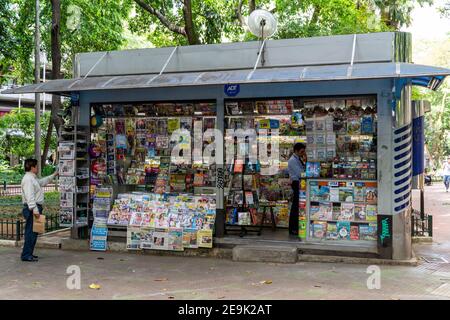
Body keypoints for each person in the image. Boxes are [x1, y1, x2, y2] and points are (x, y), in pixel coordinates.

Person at [20, 159, 58, 262]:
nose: (37, 168)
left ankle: (29, 253)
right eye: (36, 166)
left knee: (34, 232)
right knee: (30, 233)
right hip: (32, 208)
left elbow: (42, 182)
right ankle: (26, 254)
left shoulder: (33, 178)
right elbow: (30, 197)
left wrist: (54, 175)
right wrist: (35, 210)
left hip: (34, 208)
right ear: (32, 167)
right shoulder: (28, 179)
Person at [287, 142, 307, 236]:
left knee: (297, 206)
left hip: (299, 183)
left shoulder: (298, 158)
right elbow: (300, 174)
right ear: (296, 150)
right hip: (296, 183)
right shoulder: (292, 160)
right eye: (302, 151)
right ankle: (293, 228)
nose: (303, 153)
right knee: (295, 206)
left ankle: (296, 227)